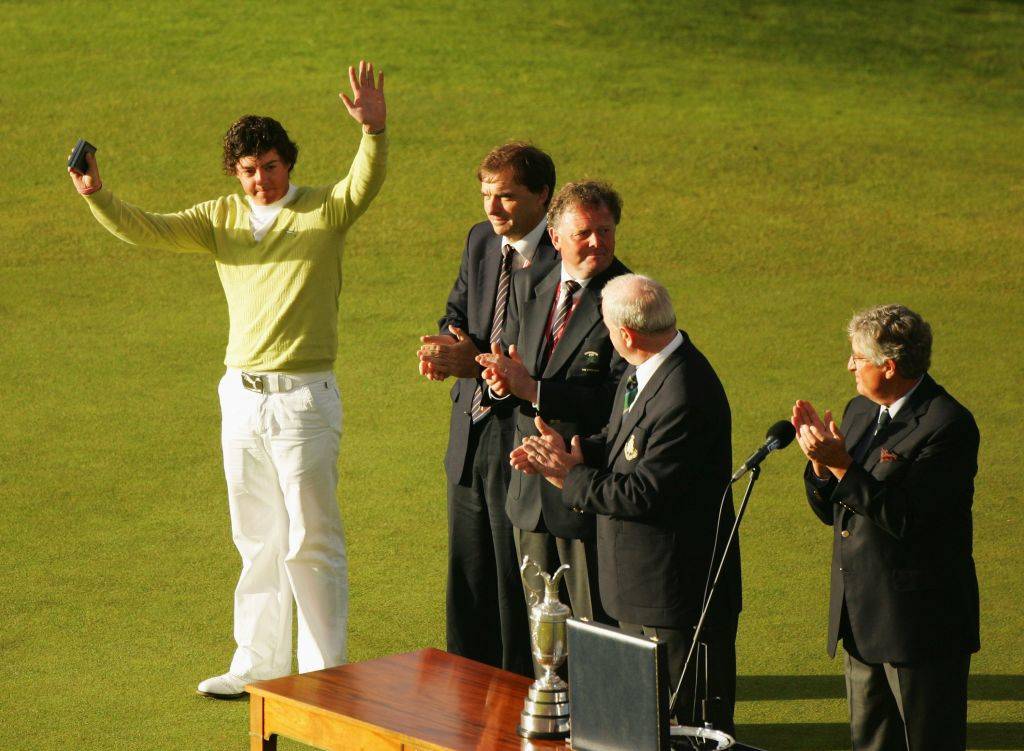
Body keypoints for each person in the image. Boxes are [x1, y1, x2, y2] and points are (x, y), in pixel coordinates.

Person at [68, 61, 388, 698]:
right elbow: (148, 229)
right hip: (240, 398)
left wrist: (373, 132)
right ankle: (257, 666)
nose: (262, 179)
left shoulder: (326, 209)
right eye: (249, 169)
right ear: (235, 173)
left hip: (304, 399)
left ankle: (325, 675)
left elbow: (364, 180)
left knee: (310, 538)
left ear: (287, 164)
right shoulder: (220, 217)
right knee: (257, 537)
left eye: (271, 165)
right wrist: (96, 195)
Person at [513, 274, 741, 734]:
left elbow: (643, 493)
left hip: (675, 599)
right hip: (640, 591)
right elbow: (623, 443)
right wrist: (577, 451)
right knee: (638, 726)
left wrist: (568, 476)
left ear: (625, 335)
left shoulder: (685, 394)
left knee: (680, 729)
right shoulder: (648, 371)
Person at [792, 304, 980, 751]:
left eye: (859, 356)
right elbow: (835, 515)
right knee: (870, 743)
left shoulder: (947, 425)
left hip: (919, 628)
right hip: (860, 618)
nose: (850, 364)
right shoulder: (860, 410)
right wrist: (821, 469)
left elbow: (907, 519)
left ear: (889, 366)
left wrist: (843, 469)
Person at [416, 143, 558, 676]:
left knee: (512, 575)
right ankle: (464, 688)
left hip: (520, 439)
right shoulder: (481, 240)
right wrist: (446, 344)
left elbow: (535, 354)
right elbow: (458, 306)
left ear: (542, 197)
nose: (492, 210)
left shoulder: (559, 260)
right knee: (468, 572)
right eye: (485, 197)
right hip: (470, 432)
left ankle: (521, 690)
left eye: (506, 198)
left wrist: (472, 363)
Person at [477, 181, 630, 626]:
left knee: (593, 629)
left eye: (606, 230)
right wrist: (500, 384)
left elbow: (621, 400)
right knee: (541, 633)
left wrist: (534, 390)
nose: (598, 242)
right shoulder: (531, 286)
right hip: (528, 491)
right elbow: (508, 361)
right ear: (555, 237)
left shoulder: (626, 298)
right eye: (584, 232)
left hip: (583, 489)